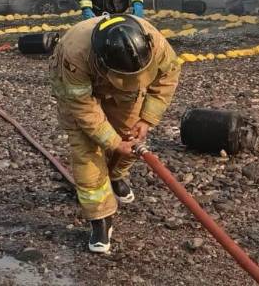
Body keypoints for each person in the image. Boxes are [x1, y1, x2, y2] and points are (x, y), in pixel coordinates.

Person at [50, 14, 180, 254]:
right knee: (86, 151)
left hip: (125, 91)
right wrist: (111, 142)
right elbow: (83, 107)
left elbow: (168, 75)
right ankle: (100, 218)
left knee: (130, 136)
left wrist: (147, 119)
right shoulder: (75, 53)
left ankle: (116, 176)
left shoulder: (156, 43)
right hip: (77, 89)